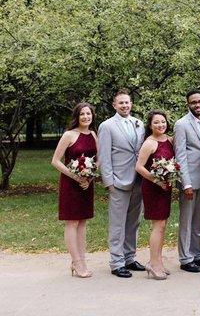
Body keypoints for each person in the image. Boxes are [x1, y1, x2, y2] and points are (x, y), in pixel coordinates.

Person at [98, 89, 146, 278]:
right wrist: (109, 181)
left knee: (134, 222)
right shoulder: (107, 126)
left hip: (138, 180)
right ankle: (116, 262)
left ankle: (129, 258)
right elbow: (104, 156)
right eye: (121, 103)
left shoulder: (139, 124)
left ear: (131, 104)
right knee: (117, 223)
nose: (125, 105)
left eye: (127, 102)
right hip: (118, 180)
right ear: (114, 105)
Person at [51, 102, 98, 278]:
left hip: (87, 183)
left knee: (83, 221)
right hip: (71, 183)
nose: (86, 117)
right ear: (77, 117)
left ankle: (81, 259)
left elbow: (98, 159)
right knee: (72, 222)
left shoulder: (93, 134)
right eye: (82, 114)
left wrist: (90, 178)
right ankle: (76, 262)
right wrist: (76, 176)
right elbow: (55, 161)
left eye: (89, 114)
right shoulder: (69, 135)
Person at [173, 90, 200, 273]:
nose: (197, 105)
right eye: (193, 102)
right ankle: (185, 258)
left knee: (198, 219)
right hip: (190, 179)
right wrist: (186, 183)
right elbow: (181, 155)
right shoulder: (181, 124)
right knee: (186, 219)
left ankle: (197, 254)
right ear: (188, 104)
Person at [135, 110, 175, 280]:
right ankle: (153, 263)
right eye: (156, 122)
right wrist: (155, 179)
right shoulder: (149, 143)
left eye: (163, 122)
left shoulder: (170, 140)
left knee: (163, 224)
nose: (160, 125)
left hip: (165, 187)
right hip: (153, 188)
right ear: (150, 125)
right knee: (157, 225)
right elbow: (139, 167)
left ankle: (158, 261)